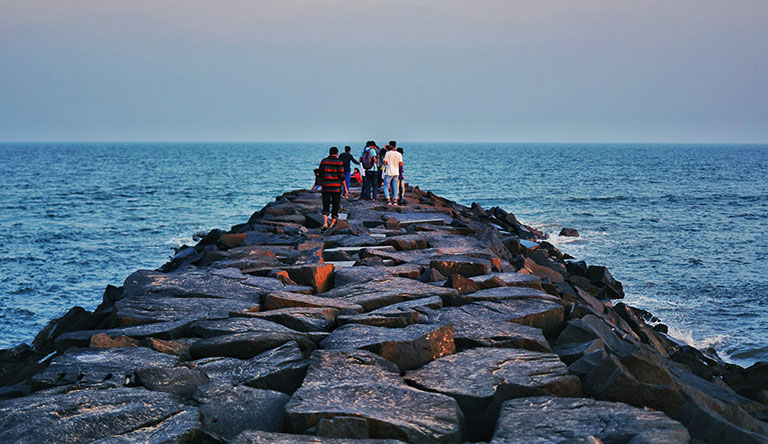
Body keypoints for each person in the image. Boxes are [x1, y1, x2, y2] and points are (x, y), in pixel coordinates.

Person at [318, 146, 347, 230]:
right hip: (336, 187)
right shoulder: (339, 162)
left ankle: (325, 223)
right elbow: (342, 175)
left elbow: (320, 173)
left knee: (325, 204)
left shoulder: (324, 161)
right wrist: (345, 188)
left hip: (326, 186)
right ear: (337, 153)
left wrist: (322, 182)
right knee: (335, 204)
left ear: (329, 152)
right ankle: (332, 224)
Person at [382, 140, 403, 206]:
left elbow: (385, 162)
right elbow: (401, 164)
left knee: (386, 186)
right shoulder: (399, 154)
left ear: (391, 145)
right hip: (396, 172)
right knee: (395, 186)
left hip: (389, 172)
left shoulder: (388, 153)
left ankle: (388, 200)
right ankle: (395, 201)